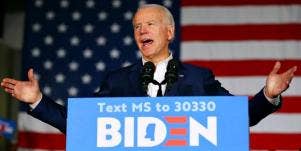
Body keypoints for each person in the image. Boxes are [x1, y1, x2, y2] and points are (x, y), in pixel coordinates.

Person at [0, 4, 297, 134]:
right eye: (137, 26)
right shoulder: (117, 81)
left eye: (150, 24)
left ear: (169, 32)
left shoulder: (197, 78)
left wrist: (267, 95)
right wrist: (38, 101)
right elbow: (80, 123)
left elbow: (236, 118)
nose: (142, 30)